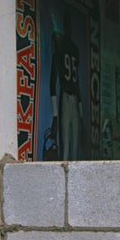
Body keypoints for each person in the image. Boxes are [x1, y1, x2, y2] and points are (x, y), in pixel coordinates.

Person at [49, 10, 84, 161]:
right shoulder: (62, 48)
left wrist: (81, 115)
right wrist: (55, 116)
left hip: (74, 98)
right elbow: (52, 82)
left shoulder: (72, 49)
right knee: (66, 146)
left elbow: (77, 82)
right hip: (65, 97)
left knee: (74, 145)